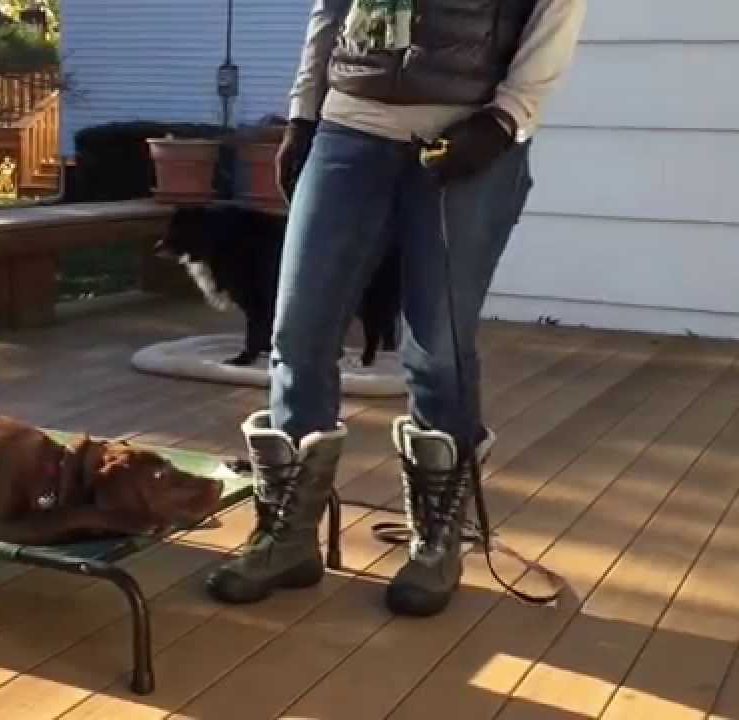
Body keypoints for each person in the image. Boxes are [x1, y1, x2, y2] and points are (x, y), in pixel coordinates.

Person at [205, 0, 586, 616]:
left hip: (468, 138)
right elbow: (331, 8)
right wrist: (303, 115)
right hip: (348, 130)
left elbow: (556, 16)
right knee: (299, 332)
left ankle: (437, 544)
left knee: (438, 345)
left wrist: (504, 120)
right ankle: (288, 537)